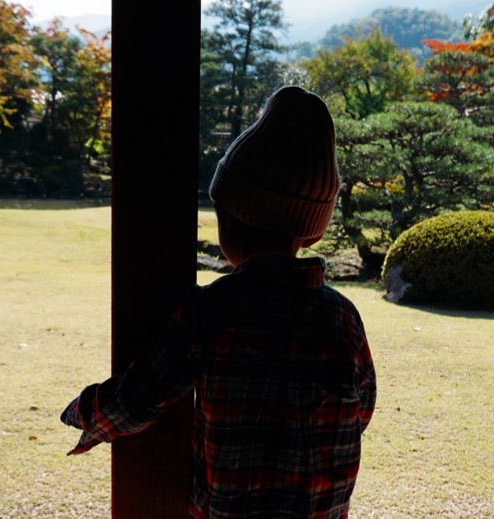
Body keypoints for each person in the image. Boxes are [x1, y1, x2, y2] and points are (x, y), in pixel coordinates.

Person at [61, 86, 376, 518]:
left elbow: (134, 401)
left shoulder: (208, 313)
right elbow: (362, 409)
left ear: (226, 219)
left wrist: (81, 412)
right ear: (313, 233)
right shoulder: (343, 319)